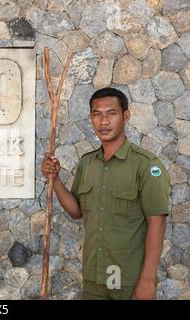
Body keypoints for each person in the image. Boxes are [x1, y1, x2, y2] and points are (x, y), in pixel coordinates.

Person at [41, 87, 170, 300]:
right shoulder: (87, 163)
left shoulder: (145, 166)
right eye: (96, 114)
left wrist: (147, 280)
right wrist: (54, 179)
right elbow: (76, 211)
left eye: (111, 113)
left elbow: (157, 222)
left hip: (128, 279)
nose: (103, 121)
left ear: (125, 116)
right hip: (94, 277)